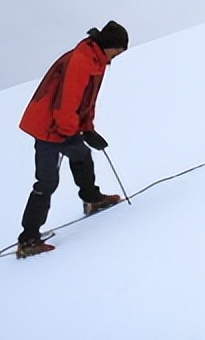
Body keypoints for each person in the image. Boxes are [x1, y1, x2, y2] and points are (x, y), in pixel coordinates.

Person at [15, 20, 129, 258]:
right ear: (110, 45)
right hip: (48, 127)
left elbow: (86, 100)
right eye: (117, 51)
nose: (116, 57)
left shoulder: (96, 60)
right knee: (46, 182)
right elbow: (66, 102)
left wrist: (87, 129)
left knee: (81, 155)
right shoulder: (82, 60)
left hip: (62, 125)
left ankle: (91, 199)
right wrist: (69, 132)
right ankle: (28, 239)